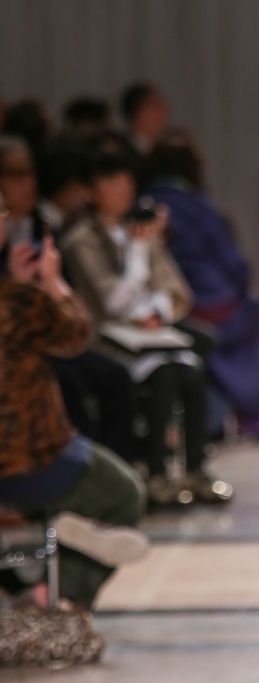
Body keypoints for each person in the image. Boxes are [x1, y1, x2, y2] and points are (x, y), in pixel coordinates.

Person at [0, 205, 149, 623]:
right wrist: (52, 281)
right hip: (29, 457)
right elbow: (75, 334)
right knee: (125, 494)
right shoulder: (14, 302)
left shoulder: (13, 298)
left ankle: (51, 562)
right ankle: (59, 595)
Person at [61, 151, 232, 508]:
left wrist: (154, 311)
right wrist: (139, 255)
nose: (122, 190)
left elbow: (178, 292)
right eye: (111, 182)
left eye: (127, 182)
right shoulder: (82, 240)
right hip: (110, 341)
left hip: (155, 335)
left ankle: (195, 469)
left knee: (190, 373)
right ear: (91, 190)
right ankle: (155, 474)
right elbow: (111, 301)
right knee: (165, 377)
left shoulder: (141, 232)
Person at [145, 130, 259, 434]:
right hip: (211, 302)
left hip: (170, 303)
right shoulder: (196, 206)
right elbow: (232, 261)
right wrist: (242, 285)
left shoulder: (145, 203)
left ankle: (225, 412)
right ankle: (250, 413)